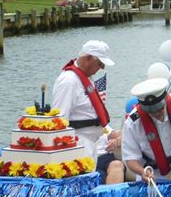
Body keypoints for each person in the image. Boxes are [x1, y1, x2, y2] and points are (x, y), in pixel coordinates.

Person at [51, 40, 124, 183]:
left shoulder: (85, 77)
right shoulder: (69, 81)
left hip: (89, 144)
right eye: (100, 63)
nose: (102, 67)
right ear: (89, 58)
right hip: (77, 144)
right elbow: (59, 119)